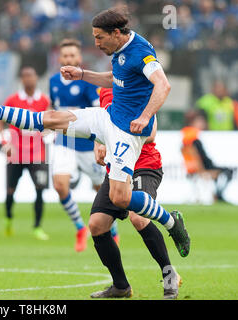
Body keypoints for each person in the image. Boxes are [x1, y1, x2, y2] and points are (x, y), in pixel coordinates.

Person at [0, 9, 191, 293]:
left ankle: (171, 223)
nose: (95, 43)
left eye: (99, 37)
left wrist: (145, 117)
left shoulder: (141, 51)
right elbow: (115, 79)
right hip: (107, 119)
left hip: (126, 135)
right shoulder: (121, 53)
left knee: (123, 199)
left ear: (116, 34)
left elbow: (163, 84)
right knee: (52, 118)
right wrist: (83, 74)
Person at [91, 87, 181, 299]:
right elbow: (99, 124)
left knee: (138, 217)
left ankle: (170, 276)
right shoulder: (105, 90)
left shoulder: (142, 86)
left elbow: (150, 134)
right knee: (97, 225)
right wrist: (98, 141)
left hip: (144, 165)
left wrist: (109, 140)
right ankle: (121, 286)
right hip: (117, 170)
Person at [49, 38, 111, 252]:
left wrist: (99, 143)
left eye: (72, 56)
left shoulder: (86, 82)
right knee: (59, 185)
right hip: (63, 141)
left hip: (86, 144)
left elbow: (99, 113)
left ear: (79, 58)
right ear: (60, 59)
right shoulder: (53, 81)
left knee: (102, 191)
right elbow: (54, 110)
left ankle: (111, 231)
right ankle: (79, 227)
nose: (69, 59)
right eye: (65, 56)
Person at [0, 66, 50, 240]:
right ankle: (8, 218)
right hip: (16, 154)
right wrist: (5, 141)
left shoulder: (44, 100)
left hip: (38, 154)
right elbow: (1, 122)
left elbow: (52, 121)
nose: (28, 78)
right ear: (21, 79)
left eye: (31, 75)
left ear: (36, 78)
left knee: (40, 190)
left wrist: (49, 132)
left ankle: (37, 227)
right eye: (25, 76)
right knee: (10, 191)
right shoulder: (12, 100)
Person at [181, 109, 235, 202]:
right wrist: (201, 171)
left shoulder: (187, 137)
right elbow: (199, 158)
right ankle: (219, 195)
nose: (203, 123)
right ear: (193, 122)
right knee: (228, 171)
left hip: (199, 168)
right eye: (200, 121)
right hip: (205, 168)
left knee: (223, 172)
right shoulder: (193, 138)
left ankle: (217, 194)